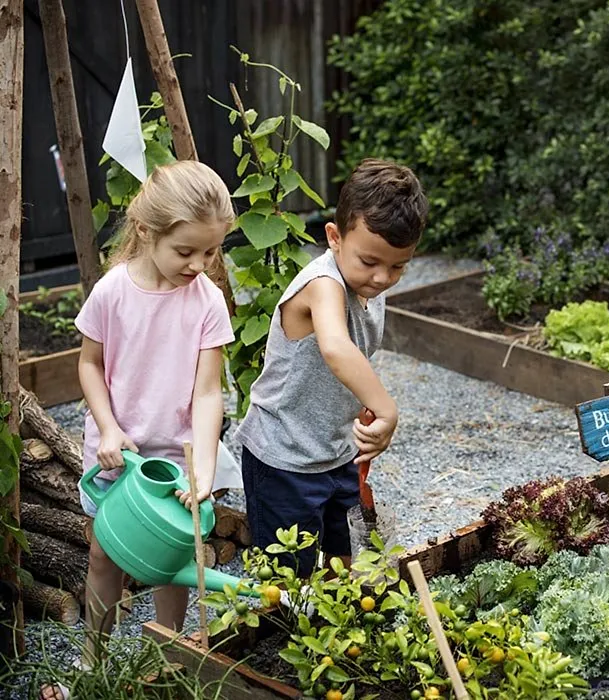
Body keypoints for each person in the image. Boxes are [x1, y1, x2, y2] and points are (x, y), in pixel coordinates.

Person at [42, 161, 236, 699]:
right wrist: (107, 428)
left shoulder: (208, 303)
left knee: (175, 557)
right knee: (105, 554)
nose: (199, 264)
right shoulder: (112, 293)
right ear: (148, 233)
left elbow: (206, 392)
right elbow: (89, 366)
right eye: (187, 251)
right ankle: (93, 659)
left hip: (177, 455)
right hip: (117, 455)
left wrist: (200, 469)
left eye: (211, 252)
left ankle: (168, 653)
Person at [235, 158, 428, 576]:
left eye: (398, 266)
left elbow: (353, 360)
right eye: (370, 261)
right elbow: (337, 349)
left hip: (335, 452)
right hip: (283, 458)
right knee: (289, 579)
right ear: (334, 237)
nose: (381, 278)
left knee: (349, 556)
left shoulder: (367, 285)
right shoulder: (322, 285)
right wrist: (387, 408)